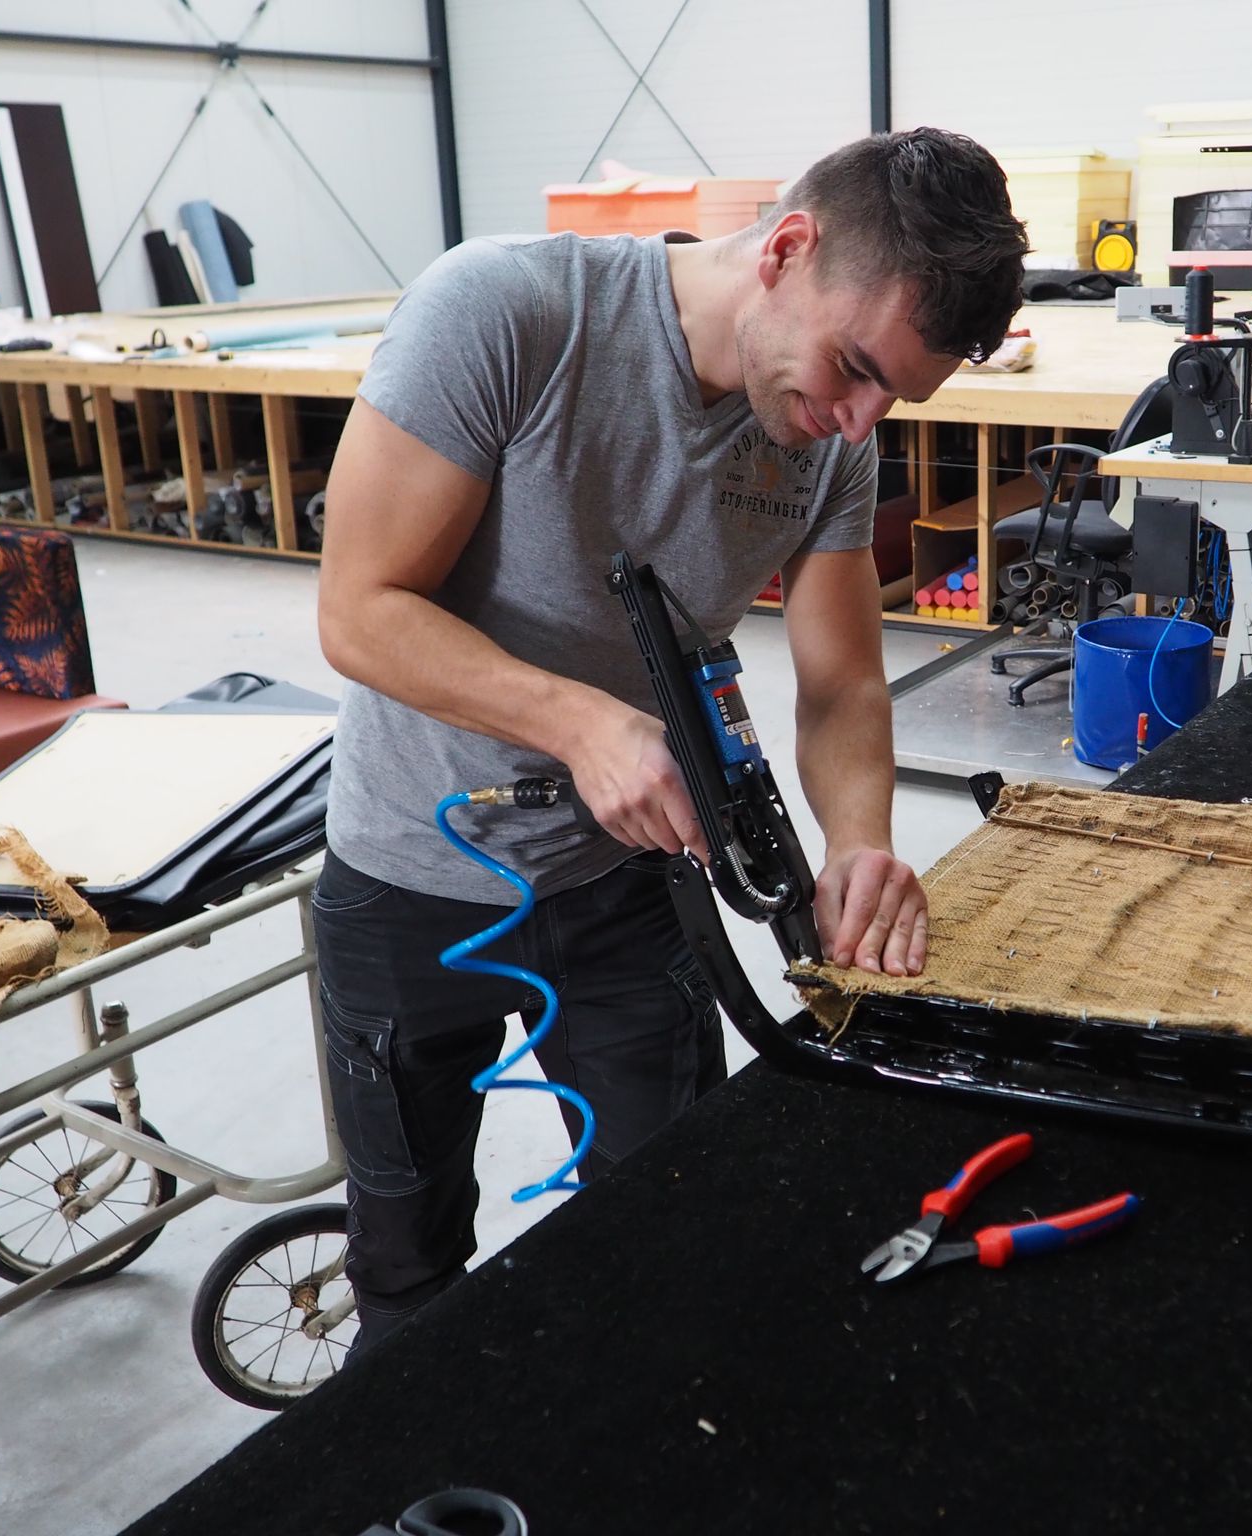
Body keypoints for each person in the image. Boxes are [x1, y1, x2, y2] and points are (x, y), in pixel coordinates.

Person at [312, 127, 1028, 1345]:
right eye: (854, 368)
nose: (858, 420)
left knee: (674, 1220)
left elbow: (842, 683)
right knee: (406, 1272)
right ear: (786, 249)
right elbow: (358, 610)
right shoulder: (505, 313)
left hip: (626, 883)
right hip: (408, 880)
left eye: (892, 399)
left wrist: (859, 841)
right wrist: (580, 723)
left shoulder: (827, 442)